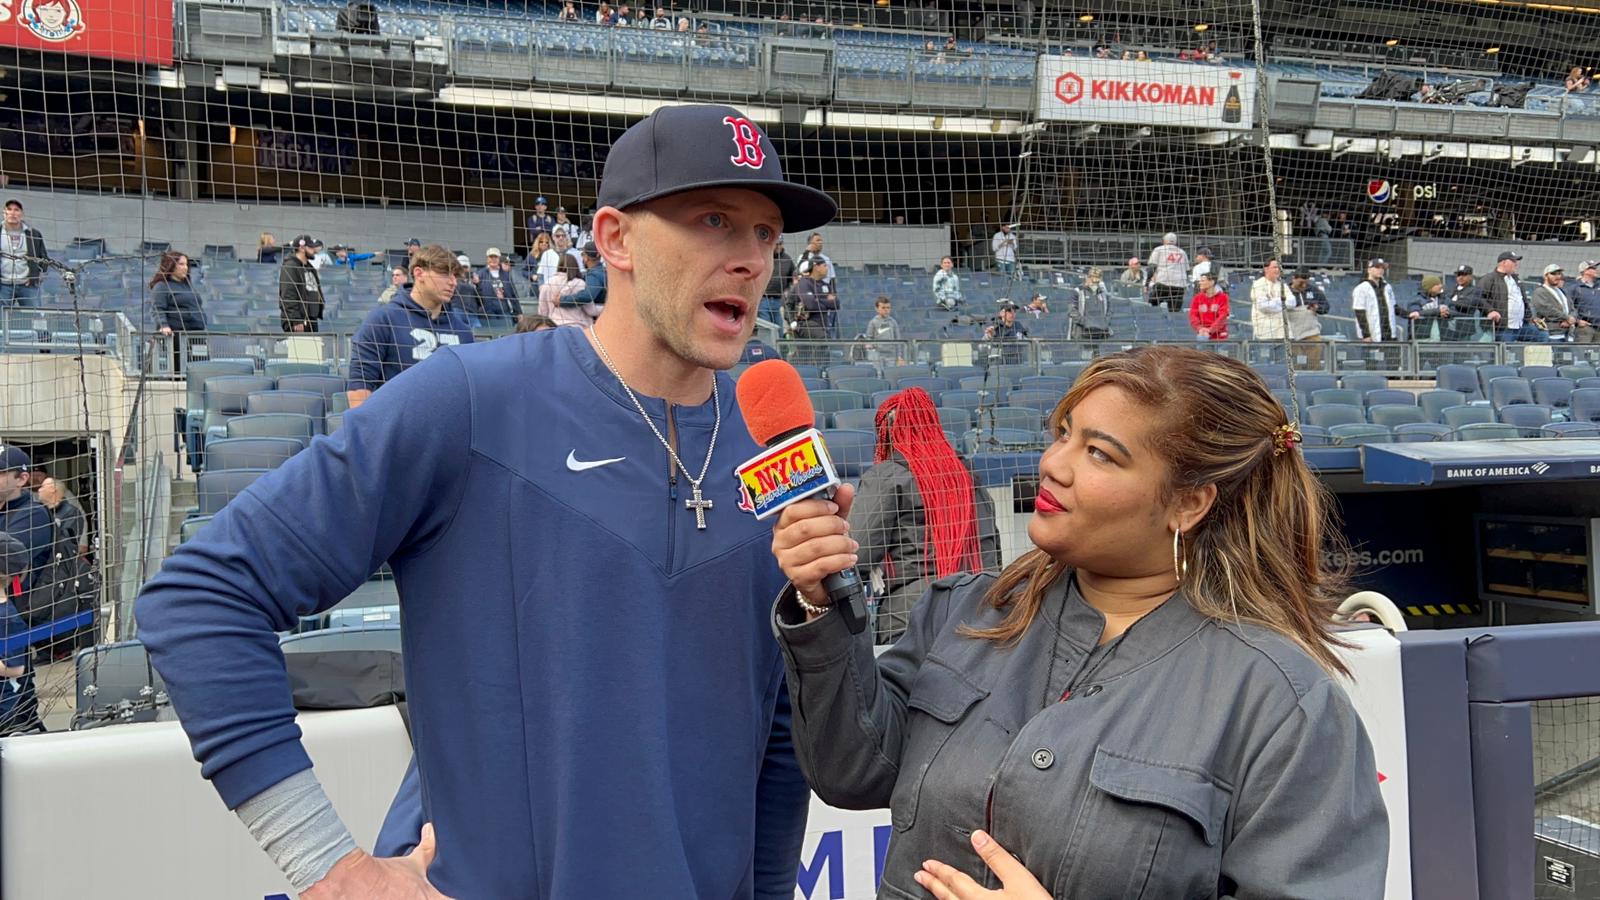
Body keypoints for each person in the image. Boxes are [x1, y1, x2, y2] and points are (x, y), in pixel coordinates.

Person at [133, 103, 836, 899]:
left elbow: (776, 736)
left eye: (765, 233)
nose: (749, 259)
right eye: (714, 220)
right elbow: (202, 597)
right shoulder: (469, 400)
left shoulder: (772, 450)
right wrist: (331, 868)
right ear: (615, 239)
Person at [767, 346, 1388, 900]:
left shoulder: (1283, 705)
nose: (1053, 464)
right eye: (1062, 433)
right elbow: (851, 773)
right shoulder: (962, 610)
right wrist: (822, 606)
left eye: (1098, 453)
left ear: (1187, 503)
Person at [847, 387, 999, 643]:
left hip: (909, 621)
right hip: (978, 615)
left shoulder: (886, 476)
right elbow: (991, 550)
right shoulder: (967, 474)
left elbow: (855, 557)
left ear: (888, 433)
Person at [345, 244, 476, 409]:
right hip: (397, 429)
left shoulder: (463, 332)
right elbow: (359, 387)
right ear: (419, 273)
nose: (453, 282)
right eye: (444, 273)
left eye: (455, 276)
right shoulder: (383, 320)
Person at [0, 445, 50, 735]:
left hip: (12, 621)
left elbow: (9, 561)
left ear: (21, 478)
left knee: (17, 715)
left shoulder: (33, 514)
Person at [149, 250, 207, 370]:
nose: (185, 268)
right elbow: (158, 308)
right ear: (171, 265)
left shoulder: (188, 286)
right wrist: (163, 325)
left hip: (196, 336)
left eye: (186, 264)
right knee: (180, 369)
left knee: (200, 368)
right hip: (178, 337)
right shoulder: (162, 286)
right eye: (181, 264)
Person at [1479, 250, 1539, 342]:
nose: (1516, 264)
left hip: (1521, 326)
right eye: (1513, 261)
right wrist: (1490, 311)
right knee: (1505, 353)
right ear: (1503, 262)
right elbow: (1478, 297)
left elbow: (1523, 301)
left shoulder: (1516, 279)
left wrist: (1530, 317)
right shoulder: (1489, 278)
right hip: (1502, 328)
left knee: (1541, 335)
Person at [0, 199, 48, 307]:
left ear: (22, 214)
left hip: (27, 285)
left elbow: (44, 258)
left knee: (33, 317)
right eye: (9, 209)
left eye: (16, 210)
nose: (13, 213)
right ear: (4, 213)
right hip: (3, 286)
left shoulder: (33, 234)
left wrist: (36, 275)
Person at [278, 235, 324, 333]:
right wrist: (296, 319)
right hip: (299, 322)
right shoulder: (290, 266)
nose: (314, 250)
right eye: (310, 247)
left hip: (311, 319)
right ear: (302, 248)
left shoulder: (310, 267)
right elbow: (288, 294)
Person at [1352, 258, 1403, 343]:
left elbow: (1394, 307)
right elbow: (1360, 312)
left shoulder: (1387, 287)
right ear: (1369, 270)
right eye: (1377, 267)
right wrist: (1366, 335)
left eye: (1382, 268)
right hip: (1372, 336)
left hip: (1389, 334)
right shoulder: (1361, 288)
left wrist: (1409, 314)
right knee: (1373, 356)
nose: (1380, 270)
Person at [35, 476, 86, 559]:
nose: (39, 490)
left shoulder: (71, 512)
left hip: (59, 563)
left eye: (42, 487)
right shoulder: (39, 511)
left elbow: (66, 543)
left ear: (53, 490)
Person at [538, 254, 591, 328]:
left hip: (554, 326)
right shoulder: (580, 283)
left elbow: (542, 311)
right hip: (577, 326)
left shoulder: (548, 283)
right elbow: (590, 310)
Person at [474, 247, 521, 323]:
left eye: (495, 257)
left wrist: (519, 312)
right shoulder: (480, 274)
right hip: (488, 311)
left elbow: (513, 294)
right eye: (491, 257)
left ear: (499, 258)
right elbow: (477, 294)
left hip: (504, 309)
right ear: (487, 259)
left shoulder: (506, 275)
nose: (493, 259)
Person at [1145, 232, 1189, 312]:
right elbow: (1187, 270)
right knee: (1174, 312)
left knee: (1152, 307)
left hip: (1163, 283)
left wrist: (1147, 283)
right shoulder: (1182, 252)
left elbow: (1152, 268)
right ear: (1175, 242)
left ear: (1164, 241)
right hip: (1179, 286)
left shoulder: (1159, 249)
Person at [1531, 264, 1576, 342]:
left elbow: (1572, 308)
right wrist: (1567, 318)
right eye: (1553, 274)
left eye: (1559, 274)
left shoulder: (1562, 291)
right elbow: (1547, 309)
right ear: (1545, 276)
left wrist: (1571, 319)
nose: (1557, 276)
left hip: (1568, 333)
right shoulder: (1540, 292)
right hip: (1552, 334)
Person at [982, 301, 1029, 365]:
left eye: (1014, 311)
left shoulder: (1018, 325)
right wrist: (990, 336)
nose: (1012, 313)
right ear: (1001, 313)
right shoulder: (995, 325)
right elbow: (983, 343)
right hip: (999, 365)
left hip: (1017, 364)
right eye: (1009, 311)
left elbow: (1027, 341)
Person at [1564, 259, 1600, 343]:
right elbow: (1568, 306)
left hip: (1599, 327)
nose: (1596, 270)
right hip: (1585, 328)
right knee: (1582, 353)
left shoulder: (1598, 284)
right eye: (1593, 268)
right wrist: (1577, 321)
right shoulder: (1575, 287)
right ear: (1585, 271)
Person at [1070, 269, 1111, 340]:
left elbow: (1109, 311)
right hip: (1083, 332)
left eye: (1097, 282)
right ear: (1088, 278)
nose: (1095, 283)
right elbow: (1072, 311)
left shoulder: (1104, 294)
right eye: (1093, 281)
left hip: (1101, 332)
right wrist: (1085, 322)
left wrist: (1104, 322)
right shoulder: (1078, 292)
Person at [1188, 270, 1229, 340]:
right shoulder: (1197, 298)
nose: (1200, 283)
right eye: (1200, 281)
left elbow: (1223, 316)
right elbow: (1193, 315)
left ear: (1212, 282)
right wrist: (1200, 328)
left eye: (1203, 281)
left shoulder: (1223, 297)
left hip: (1219, 336)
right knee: (1202, 339)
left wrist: (1210, 330)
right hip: (1202, 334)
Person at [762, 238, 794, 325]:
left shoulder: (787, 259)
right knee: (766, 327)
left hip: (779, 299)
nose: (778, 246)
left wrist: (787, 293)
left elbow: (792, 278)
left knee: (779, 328)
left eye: (780, 244)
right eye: (776, 244)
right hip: (763, 299)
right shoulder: (763, 256)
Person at [861, 295, 901, 366]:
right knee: (879, 374)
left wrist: (899, 356)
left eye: (888, 308)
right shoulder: (873, 322)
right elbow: (869, 338)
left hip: (891, 356)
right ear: (877, 309)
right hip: (878, 355)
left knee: (890, 373)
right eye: (883, 308)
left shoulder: (893, 322)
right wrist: (870, 345)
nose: (886, 310)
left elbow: (898, 340)